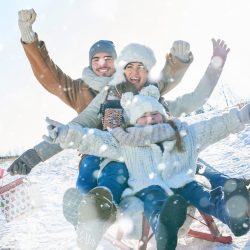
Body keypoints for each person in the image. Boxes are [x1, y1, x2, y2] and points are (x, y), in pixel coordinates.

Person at [8, 8, 193, 193]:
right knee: (89, 180)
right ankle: (93, 207)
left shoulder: (133, 82)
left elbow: (164, 80)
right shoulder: (79, 89)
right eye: (96, 59)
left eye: (108, 58)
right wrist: (35, 155)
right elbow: (51, 79)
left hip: (137, 148)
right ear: (90, 63)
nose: (102, 64)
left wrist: (178, 60)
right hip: (95, 150)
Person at [45, 85, 250, 249]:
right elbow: (95, 140)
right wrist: (65, 133)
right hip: (148, 186)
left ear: (163, 114)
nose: (150, 119)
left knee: (205, 196)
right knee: (156, 206)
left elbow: (213, 127)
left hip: (183, 181)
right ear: (134, 121)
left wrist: (241, 116)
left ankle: (233, 216)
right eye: (143, 117)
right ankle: (164, 230)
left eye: (154, 114)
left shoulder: (183, 133)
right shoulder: (126, 141)